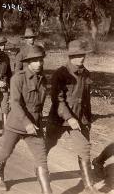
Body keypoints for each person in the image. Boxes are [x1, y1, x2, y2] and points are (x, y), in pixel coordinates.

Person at [46, 40, 102, 194]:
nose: (81, 58)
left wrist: (88, 119)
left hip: (79, 119)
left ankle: (89, 185)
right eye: (77, 56)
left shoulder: (86, 73)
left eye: (82, 55)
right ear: (70, 56)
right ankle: (41, 168)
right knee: (48, 144)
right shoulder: (60, 74)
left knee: (84, 149)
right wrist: (69, 118)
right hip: (60, 117)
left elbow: (86, 99)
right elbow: (57, 100)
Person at [0, 45, 52, 194]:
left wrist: (38, 123)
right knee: (5, 153)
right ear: (28, 62)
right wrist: (27, 123)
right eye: (35, 60)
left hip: (35, 127)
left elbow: (40, 105)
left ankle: (47, 191)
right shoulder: (18, 78)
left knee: (42, 158)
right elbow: (14, 103)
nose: (39, 63)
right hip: (16, 125)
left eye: (41, 60)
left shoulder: (43, 80)